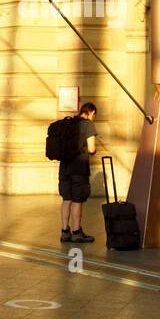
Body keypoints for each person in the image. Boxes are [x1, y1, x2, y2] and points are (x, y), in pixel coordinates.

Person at [59, 101, 97, 243]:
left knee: (66, 200)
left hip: (64, 168)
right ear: (91, 112)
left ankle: (64, 231)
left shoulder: (68, 123)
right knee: (77, 200)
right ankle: (76, 232)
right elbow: (92, 149)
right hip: (79, 169)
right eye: (94, 115)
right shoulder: (88, 125)